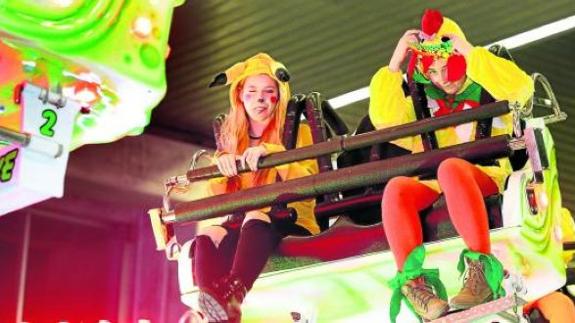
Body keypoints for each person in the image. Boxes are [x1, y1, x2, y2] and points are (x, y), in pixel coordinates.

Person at [368, 9, 534, 322]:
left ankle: (481, 272)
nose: (443, 79)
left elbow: (521, 89)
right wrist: (394, 64)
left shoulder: (490, 85)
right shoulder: (422, 103)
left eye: (449, 68)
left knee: (450, 168)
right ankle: (416, 287)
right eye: (432, 72)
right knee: (397, 188)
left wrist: (471, 52)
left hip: (486, 174)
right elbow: (385, 120)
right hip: (439, 182)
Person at [193, 52, 320, 323]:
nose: (260, 99)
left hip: (291, 218)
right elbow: (216, 197)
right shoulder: (231, 140)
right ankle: (212, 312)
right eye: (251, 91)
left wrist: (272, 154)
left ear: (280, 95)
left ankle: (232, 301)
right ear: (240, 95)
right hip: (245, 227)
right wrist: (221, 168)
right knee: (208, 234)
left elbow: (309, 181)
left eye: (268, 92)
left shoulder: (300, 131)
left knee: (255, 216)